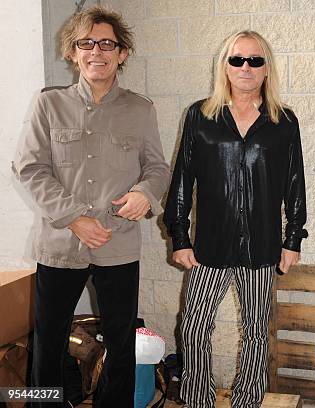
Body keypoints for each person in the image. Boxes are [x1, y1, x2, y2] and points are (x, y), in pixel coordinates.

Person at [12, 5, 170, 407]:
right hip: (61, 244)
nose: (95, 51)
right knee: (47, 344)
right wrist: (75, 219)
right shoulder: (49, 105)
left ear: (122, 54)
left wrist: (144, 195)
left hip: (117, 245)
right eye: (86, 43)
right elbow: (30, 168)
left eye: (106, 44)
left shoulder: (140, 109)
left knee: (121, 343)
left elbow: (157, 168)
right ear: (72, 52)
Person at [163, 30, 307, 407]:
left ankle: (247, 401)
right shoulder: (201, 115)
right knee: (193, 328)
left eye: (255, 60)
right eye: (237, 59)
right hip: (209, 246)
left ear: (266, 68)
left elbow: (295, 184)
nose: (246, 67)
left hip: (262, 247)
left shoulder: (283, 121)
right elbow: (182, 180)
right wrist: (179, 236)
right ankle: (198, 399)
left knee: (257, 332)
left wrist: (293, 239)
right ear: (224, 66)